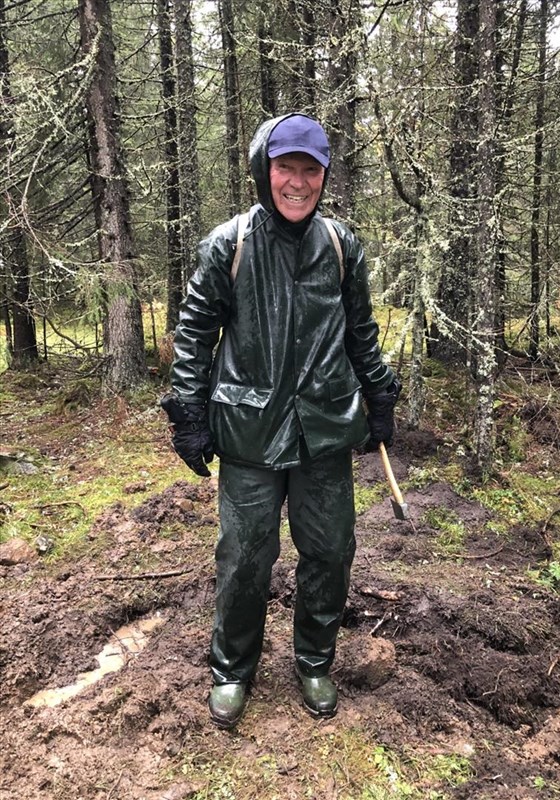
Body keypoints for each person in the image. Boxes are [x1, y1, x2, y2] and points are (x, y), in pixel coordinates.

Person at [162, 113, 399, 729]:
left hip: (325, 428)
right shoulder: (228, 244)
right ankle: (232, 670)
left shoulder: (343, 246)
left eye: (310, 171)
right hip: (249, 430)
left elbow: (361, 333)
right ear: (263, 171)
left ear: (324, 177)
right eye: (285, 168)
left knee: (330, 550)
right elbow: (193, 334)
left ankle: (315, 661)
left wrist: (379, 396)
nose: (297, 182)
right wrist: (187, 411)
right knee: (245, 556)